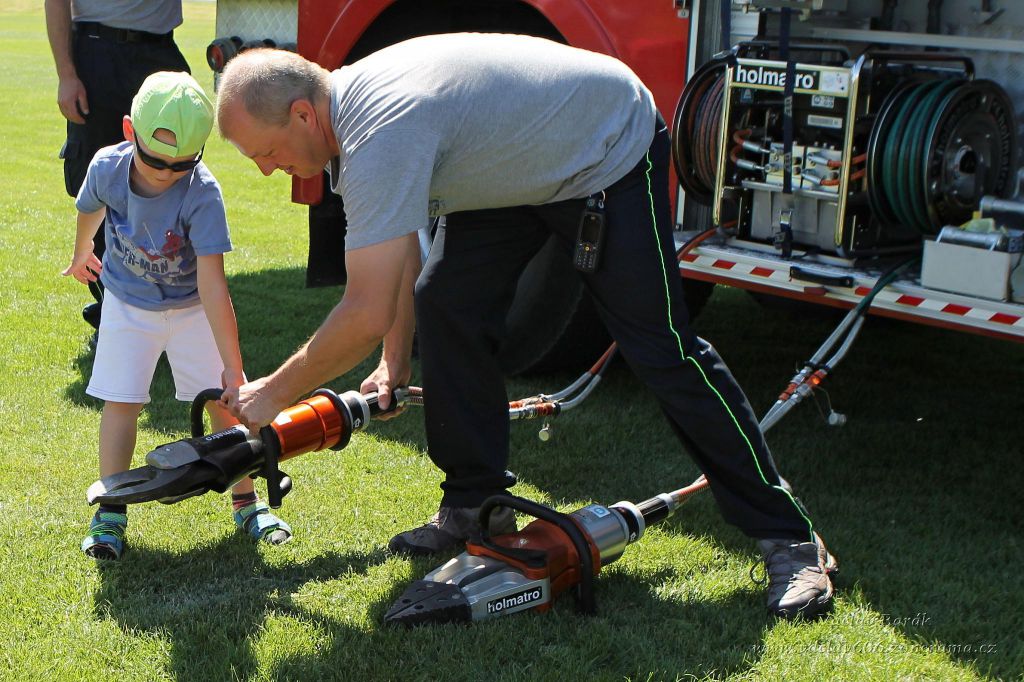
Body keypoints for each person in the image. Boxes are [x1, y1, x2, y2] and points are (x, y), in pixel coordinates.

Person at [215, 35, 837, 619]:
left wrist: (272, 396)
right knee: (447, 302)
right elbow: (396, 257)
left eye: (264, 153)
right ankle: (474, 508)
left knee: (660, 347)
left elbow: (363, 311)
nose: (267, 170)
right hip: (512, 167)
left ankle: (790, 537)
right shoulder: (350, 119)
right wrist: (393, 360)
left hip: (602, 149)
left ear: (303, 114)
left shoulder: (379, 131)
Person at [63, 72, 292, 560]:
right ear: (130, 131)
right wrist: (83, 250)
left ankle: (247, 502)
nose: (167, 173)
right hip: (127, 304)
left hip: (190, 309)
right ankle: (111, 509)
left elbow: (213, 284)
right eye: (155, 161)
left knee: (222, 405)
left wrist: (233, 368)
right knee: (121, 402)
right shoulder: (107, 167)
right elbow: (90, 206)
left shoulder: (202, 193)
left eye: (181, 164)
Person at [46, 0, 190, 340]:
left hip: (159, 54)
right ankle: (113, 310)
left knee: (172, 185)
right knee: (101, 182)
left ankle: (168, 310)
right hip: (96, 54)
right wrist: (67, 75)